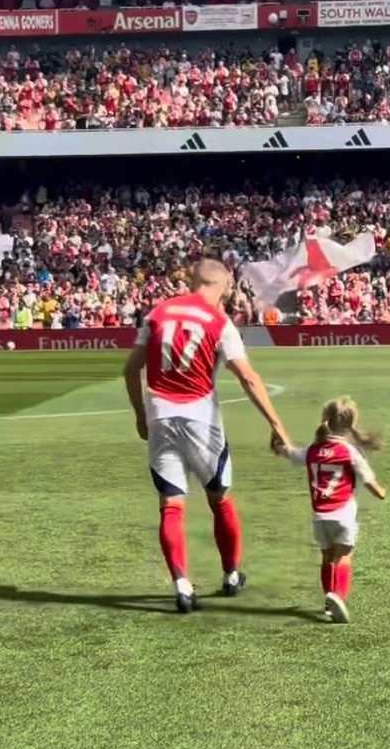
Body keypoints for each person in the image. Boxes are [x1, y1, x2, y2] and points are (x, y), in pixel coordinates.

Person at [123, 258, 291, 613]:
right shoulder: (219, 322)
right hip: (202, 419)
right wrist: (277, 425)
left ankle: (182, 585)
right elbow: (247, 378)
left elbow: (131, 369)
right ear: (223, 286)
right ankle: (231, 574)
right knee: (220, 499)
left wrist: (140, 416)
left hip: (160, 416)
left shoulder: (157, 313)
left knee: (171, 505)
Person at [273, 397, 386, 624]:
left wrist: (279, 445)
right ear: (351, 424)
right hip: (343, 514)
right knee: (343, 556)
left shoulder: (312, 450)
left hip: (319, 518)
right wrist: (381, 492)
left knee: (327, 557)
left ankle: (328, 604)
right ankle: (339, 598)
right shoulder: (350, 452)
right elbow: (369, 482)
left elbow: (290, 453)